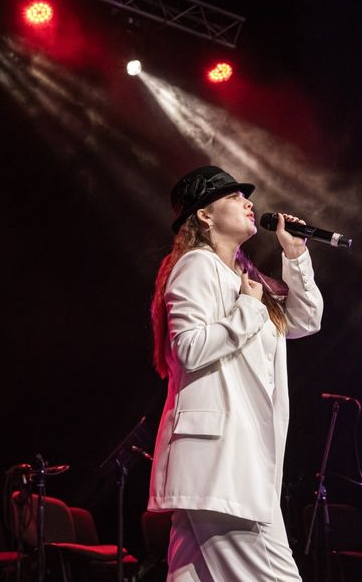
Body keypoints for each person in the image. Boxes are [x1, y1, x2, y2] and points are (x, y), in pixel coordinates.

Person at [148, 165, 324, 580]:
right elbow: (189, 348)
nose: (248, 203)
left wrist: (295, 254)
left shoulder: (247, 278)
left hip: (230, 466)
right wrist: (247, 308)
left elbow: (306, 320)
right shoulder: (196, 264)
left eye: (245, 197)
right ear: (204, 215)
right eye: (233, 197)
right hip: (222, 464)